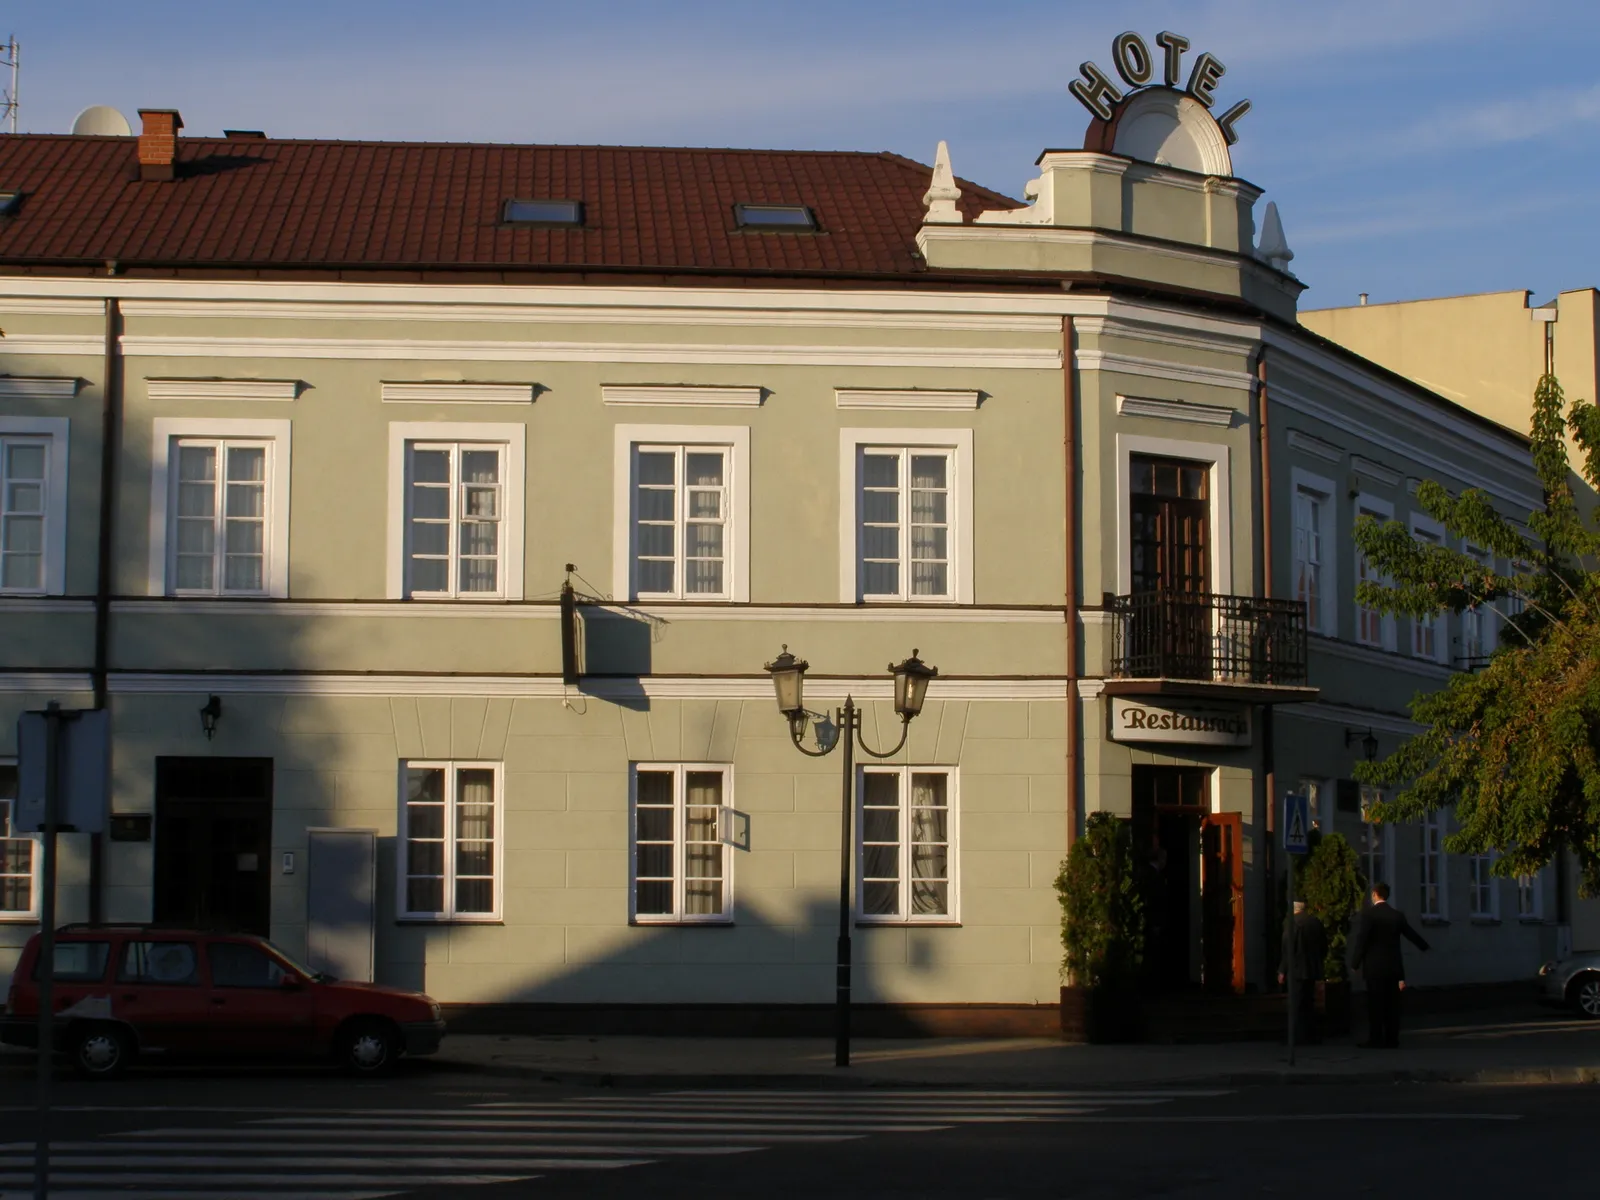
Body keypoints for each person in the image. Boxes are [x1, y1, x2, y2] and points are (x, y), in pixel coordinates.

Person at [1347, 881, 1429, 1048]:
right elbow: (1410, 934)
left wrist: (1355, 963)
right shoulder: (1397, 915)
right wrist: (1424, 946)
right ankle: (1392, 1039)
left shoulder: (1369, 915)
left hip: (1374, 968)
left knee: (1375, 1004)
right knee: (1392, 1005)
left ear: (1375, 894)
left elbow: (1362, 940)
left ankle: (1376, 1038)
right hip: (1393, 967)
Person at [1278, 900, 1328, 1044]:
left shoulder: (1291, 923)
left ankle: (1296, 1036)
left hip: (1296, 969)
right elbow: (1323, 945)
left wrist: (1282, 969)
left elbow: (1288, 948)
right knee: (1308, 1002)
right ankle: (1310, 1035)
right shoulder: (1315, 922)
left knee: (1295, 1003)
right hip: (1311, 968)